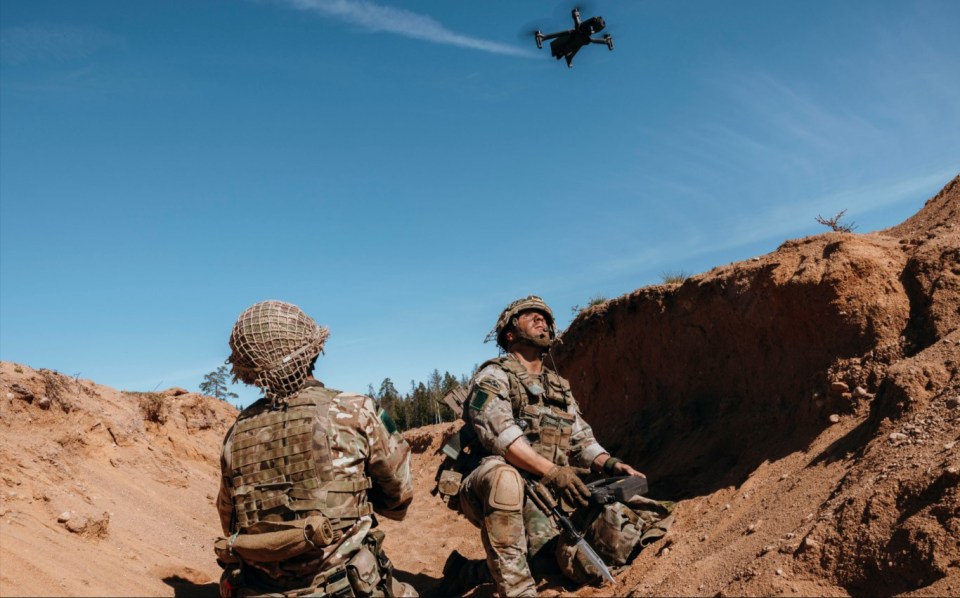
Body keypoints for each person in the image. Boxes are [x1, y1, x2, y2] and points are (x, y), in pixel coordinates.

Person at [439, 296, 656, 597]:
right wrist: (554, 472)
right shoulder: (493, 376)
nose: (542, 320)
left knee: (556, 558)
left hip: (545, 488)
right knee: (504, 478)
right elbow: (502, 437)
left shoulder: (558, 387)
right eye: (530, 316)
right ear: (510, 334)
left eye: (545, 317)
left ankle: (464, 572)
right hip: (490, 486)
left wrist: (610, 464)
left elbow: (582, 440)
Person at [214, 300, 416, 597]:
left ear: (251, 368)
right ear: (313, 348)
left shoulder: (237, 432)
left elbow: (229, 522)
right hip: (343, 586)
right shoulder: (355, 410)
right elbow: (399, 497)